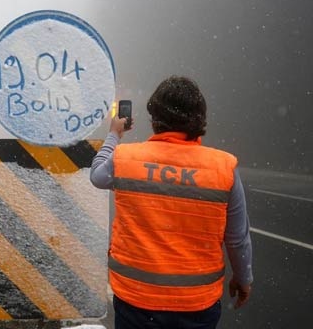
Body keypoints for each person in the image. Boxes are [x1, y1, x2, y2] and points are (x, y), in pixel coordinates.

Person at [90, 76, 253, 329]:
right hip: (197, 303)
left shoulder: (126, 158)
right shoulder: (223, 168)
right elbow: (237, 238)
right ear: (199, 118)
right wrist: (243, 278)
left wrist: (114, 134)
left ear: (155, 118)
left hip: (136, 299)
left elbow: (97, 175)